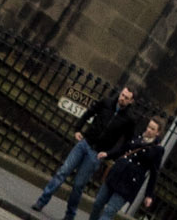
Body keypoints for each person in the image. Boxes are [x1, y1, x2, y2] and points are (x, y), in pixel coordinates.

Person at [34, 82, 140, 218]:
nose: (122, 98)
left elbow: (126, 144)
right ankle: (42, 201)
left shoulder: (129, 120)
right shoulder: (106, 102)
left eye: (126, 98)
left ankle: (70, 215)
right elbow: (89, 112)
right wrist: (78, 128)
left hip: (96, 154)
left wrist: (109, 154)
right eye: (122, 95)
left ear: (131, 101)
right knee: (63, 171)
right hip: (85, 143)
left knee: (78, 185)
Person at [88, 118, 165, 220]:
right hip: (116, 174)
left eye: (152, 129)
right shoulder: (137, 137)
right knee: (97, 204)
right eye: (149, 126)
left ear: (158, 133)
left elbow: (154, 173)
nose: (149, 130)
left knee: (108, 212)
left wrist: (149, 195)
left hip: (128, 184)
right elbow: (122, 150)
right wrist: (107, 154)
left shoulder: (157, 149)